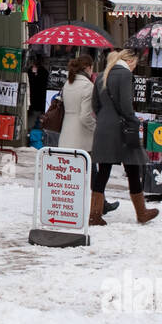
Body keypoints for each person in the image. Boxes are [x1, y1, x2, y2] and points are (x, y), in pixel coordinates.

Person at [89, 48, 158, 225]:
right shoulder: (125, 75)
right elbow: (127, 105)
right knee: (133, 168)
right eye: (135, 64)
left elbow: (95, 104)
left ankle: (94, 214)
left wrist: (105, 118)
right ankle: (141, 212)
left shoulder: (102, 74)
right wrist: (133, 120)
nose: (134, 68)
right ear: (130, 61)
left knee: (103, 170)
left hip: (104, 127)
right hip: (123, 127)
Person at [60, 55, 119, 213]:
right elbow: (85, 116)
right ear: (88, 68)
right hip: (82, 135)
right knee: (92, 171)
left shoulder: (68, 83)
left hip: (67, 133)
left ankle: (94, 203)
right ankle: (100, 204)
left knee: (75, 173)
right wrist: (97, 128)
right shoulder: (87, 86)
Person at [26, 56, 48, 131]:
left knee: (33, 119)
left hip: (34, 99)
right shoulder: (44, 72)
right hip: (39, 100)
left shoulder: (33, 72)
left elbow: (32, 83)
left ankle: (32, 132)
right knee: (37, 119)